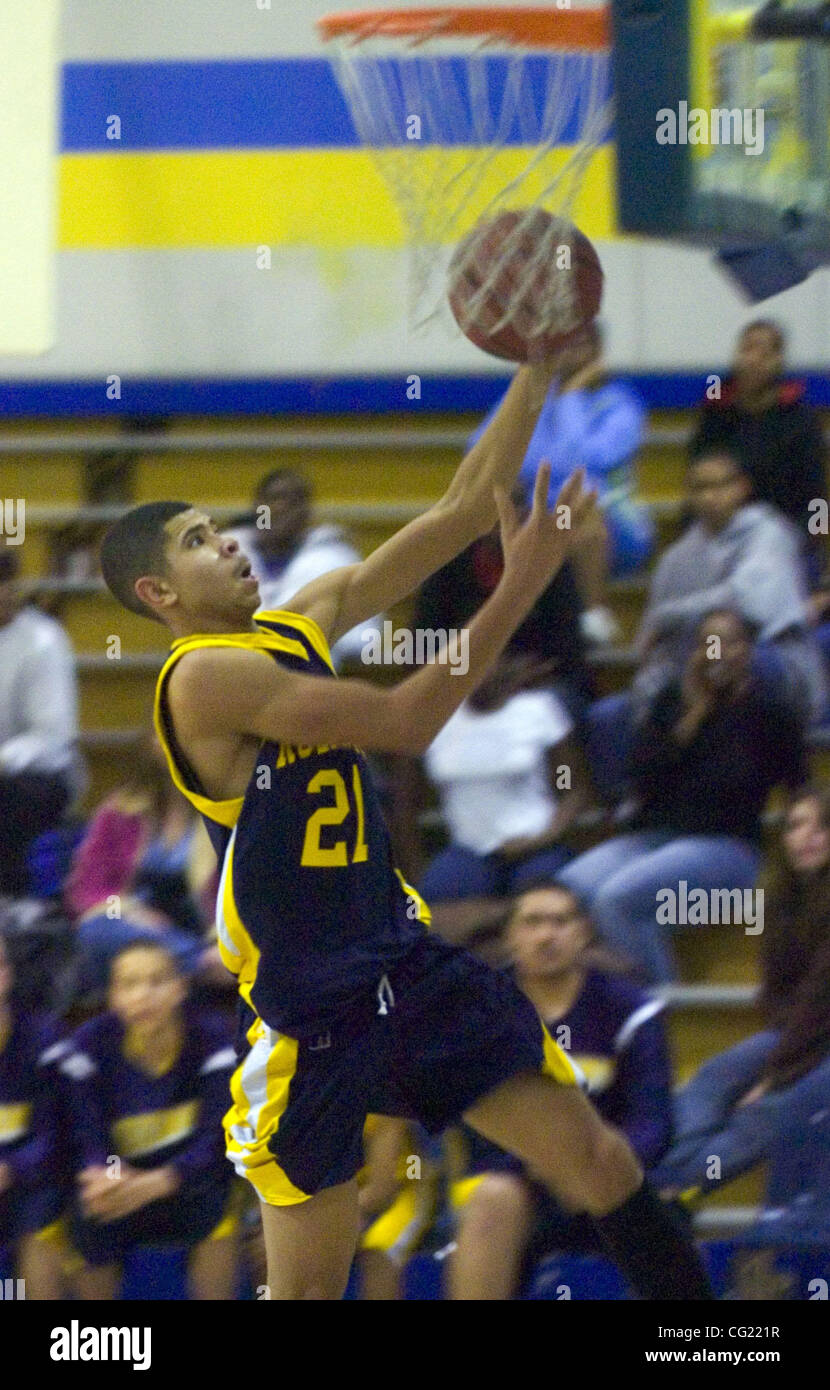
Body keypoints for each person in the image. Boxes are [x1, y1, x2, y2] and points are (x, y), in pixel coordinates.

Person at [98, 359, 712, 1302]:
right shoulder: (199, 679)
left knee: (597, 1159)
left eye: (219, 529)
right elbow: (407, 721)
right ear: (158, 593)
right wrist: (521, 583)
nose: (228, 545)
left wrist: (538, 371)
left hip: (405, 966)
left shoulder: (300, 618)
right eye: (197, 541)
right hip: (314, 1013)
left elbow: (465, 507)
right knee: (308, 1287)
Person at [449, 883, 673, 1299]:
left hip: (610, 1171)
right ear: (511, 936)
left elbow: (654, 1124)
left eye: (560, 921)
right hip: (517, 1181)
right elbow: (471, 1122)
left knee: (651, 1197)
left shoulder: (631, 1009)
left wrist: (597, 1167)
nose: (546, 935)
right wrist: (550, 1167)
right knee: (492, 1197)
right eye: (532, 922)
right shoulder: (484, 1010)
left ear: (584, 933)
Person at [558, 609, 808, 983]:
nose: (717, 651)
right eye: (708, 642)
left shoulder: (771, 713)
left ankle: (657, 1017)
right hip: (654, 840)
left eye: (729, 641)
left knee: (616, 901)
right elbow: (640, 782)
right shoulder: (671, 703)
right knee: (568, 890)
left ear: (748, 651)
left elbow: (798, 789)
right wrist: (693, 716)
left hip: (729, 850)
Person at [652, 785, 830, 1199]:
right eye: (797, 825)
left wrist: (775, 1075)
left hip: (816, 1038)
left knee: (768, 1111)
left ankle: (682, 1191)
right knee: (716, 1073)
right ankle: (661, 1179)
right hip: (800, 1034)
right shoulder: (784, 899)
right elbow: (781, 994)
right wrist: (776, 1061)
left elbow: (820, 1001)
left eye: (822, 827)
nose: (807, 837)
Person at [59, 940, 239, 1299]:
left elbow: (219, 1140)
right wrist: (106, 1178)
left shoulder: (216, 1038)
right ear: (112, 996)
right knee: (85, 1213)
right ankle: (103, 1346)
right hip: (120, 1184)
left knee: (218, 1207)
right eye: (129, 984)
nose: (143, 995)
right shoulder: (89, 1045)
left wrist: (163, 1181)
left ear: (180, 989)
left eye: (157, 981)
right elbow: (87, 1137)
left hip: (187, 1182)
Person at [467, 321, 653, 642]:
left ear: (597, 352)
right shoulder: (532, 397)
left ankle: (594, 618)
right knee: (488, 504)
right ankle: (491, 625)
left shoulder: (621, 405)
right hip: (537, 515)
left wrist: (571, 396)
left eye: (579, 345)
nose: (568, 353)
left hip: (613, 526)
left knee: (578, 505)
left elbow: (583, 463)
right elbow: (479, 450)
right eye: (562, 345)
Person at [635, 448, 826, 725]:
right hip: (693, 665)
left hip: (776, 660)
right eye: (700, 488)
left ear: (742, 488)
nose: (710, 496)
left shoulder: (770, 534)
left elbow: (749, 603)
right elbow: (649, 640)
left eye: (721, 485)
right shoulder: (675, 558)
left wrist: (668, 615)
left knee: (722, 650)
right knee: (612, 716)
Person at [420, 652, 591, 902]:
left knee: (541, 901)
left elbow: (570, 789)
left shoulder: (538, 711)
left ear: (503, 664)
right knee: (439, 901)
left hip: (537, 844)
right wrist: (413, 869)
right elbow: (405, 805)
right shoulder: (434, 718)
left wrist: (544, 837)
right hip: (468, 849)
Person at [65, 731, 218, 987]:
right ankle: (197, 963)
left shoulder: (224, 812)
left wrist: (218, 941)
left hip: (200, 929)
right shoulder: (120, 810)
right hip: (131, 927)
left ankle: (194, 961)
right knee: (94, 929)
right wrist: (127, 909)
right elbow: (88, 890)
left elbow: (243, 891)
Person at [690, 319, 826, 582]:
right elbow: (695, 479)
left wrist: (809, 542)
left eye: (764, 353)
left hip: (783, 537)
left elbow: (816, 498)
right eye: (746, 349)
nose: (752, 360)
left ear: (779, 361)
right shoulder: (715, 412)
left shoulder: (801, 420)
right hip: (720, 533)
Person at [224, 468, 380, 667]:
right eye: (274, 498)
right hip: (232, 671)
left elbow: (363, 637)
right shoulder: (225, 555)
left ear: (307, 511)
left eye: (294, 501)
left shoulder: (338, 559)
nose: (282, 507)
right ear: (257, 507)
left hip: (314, 676)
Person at [0, 547, 83, 898]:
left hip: (41, 774)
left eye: (6, 584)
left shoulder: (43, 640)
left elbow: (53, 736)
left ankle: (13, 901)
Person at [0, 932, 70, 1299]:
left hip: (32, 1184)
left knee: (40, 1217)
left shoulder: (44, 1038)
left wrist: (9, 1170)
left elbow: (55, 1134)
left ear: (7, 974)